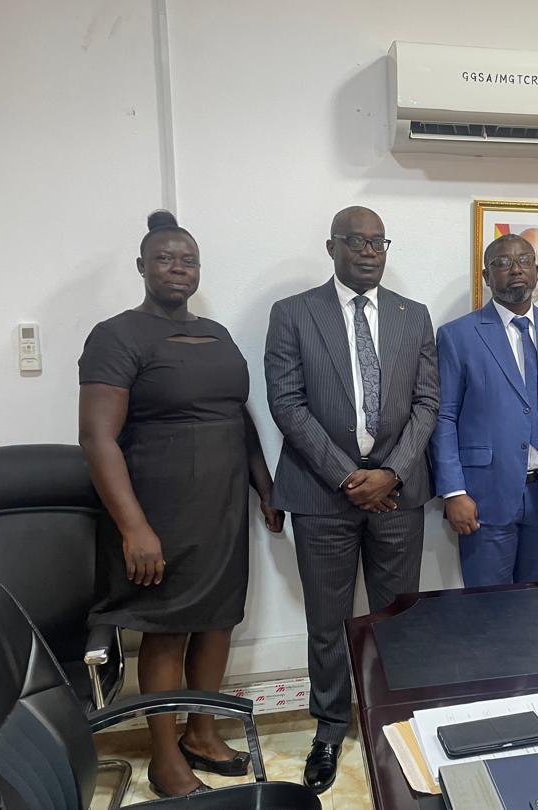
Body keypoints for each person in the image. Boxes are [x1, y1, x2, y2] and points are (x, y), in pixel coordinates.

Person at [78, 211, 282, 798]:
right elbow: (96, 437)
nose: (177, 269)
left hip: (222, 507)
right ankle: (166, 760)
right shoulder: (115, 335)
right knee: (166, 631)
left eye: (188, 260)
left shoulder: (217, 334)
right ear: (141, 266)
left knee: (218, 620)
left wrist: (264, 484)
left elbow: (236, 415)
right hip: (157, 510)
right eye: (164, 259)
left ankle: (202, 732)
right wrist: (134, 527)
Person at [264, 206, 438, 793]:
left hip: (398, 495)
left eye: (378, 242)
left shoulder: (413, 315)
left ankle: (391, 715)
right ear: (331, 247)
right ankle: (330, 727)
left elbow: (427, 404)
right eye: (356, 241)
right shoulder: (293, 313)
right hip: (321, 494)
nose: (368, 251)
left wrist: (390, 473)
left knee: (396, 618)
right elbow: (287, 403)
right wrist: (347, 477)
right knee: (327, 621)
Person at [431, 233, 538, 588]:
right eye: (503, 262)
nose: (516, 269)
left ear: (537, 271)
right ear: (486, 276)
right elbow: (444, 416)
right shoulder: (458, 336)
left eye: (525, 261)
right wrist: (453, 491)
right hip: (484, 495)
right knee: (489, 607)